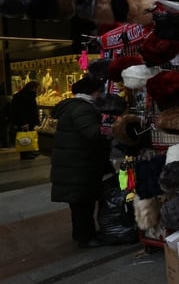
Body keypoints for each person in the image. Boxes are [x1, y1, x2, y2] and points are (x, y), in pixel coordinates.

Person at [50, 76, 110, 249]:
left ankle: (81, 234)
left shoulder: (74, 106)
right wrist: (109, 130)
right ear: (93, 91)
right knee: (83, 203)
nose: (101, 94)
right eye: (100, 91)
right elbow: (92, 133)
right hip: (78, 165)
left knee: (79, 203)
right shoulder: (82, 109)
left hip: (73, 163)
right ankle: (86, 238)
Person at [12, 81, 41, 159]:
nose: (37, 90)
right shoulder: (21, 96)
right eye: (37, 88)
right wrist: (23, 122)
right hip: (25, 121)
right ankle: (25, 154)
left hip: (29, 120)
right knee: (24, 137)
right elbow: (19, 111)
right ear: (32, 88)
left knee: (29, 135)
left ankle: (30, 151)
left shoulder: (29, 95)